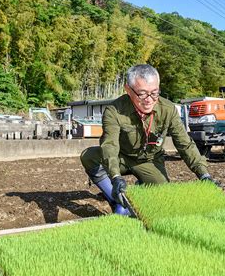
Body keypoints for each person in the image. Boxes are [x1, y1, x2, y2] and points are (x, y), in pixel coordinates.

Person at [80, 64, 217, 215]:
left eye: (154, 93)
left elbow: (185, 144)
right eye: (142, 94)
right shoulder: (114, 110)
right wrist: (115, 177)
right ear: (128, 89)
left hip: (149, 160)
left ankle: (140, 187)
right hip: (121, 158)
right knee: (89, 156)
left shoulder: (168, 109)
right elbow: (110, 145)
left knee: (163, 200)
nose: (149, 100)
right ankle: (116, 199)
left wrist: (204, 175)